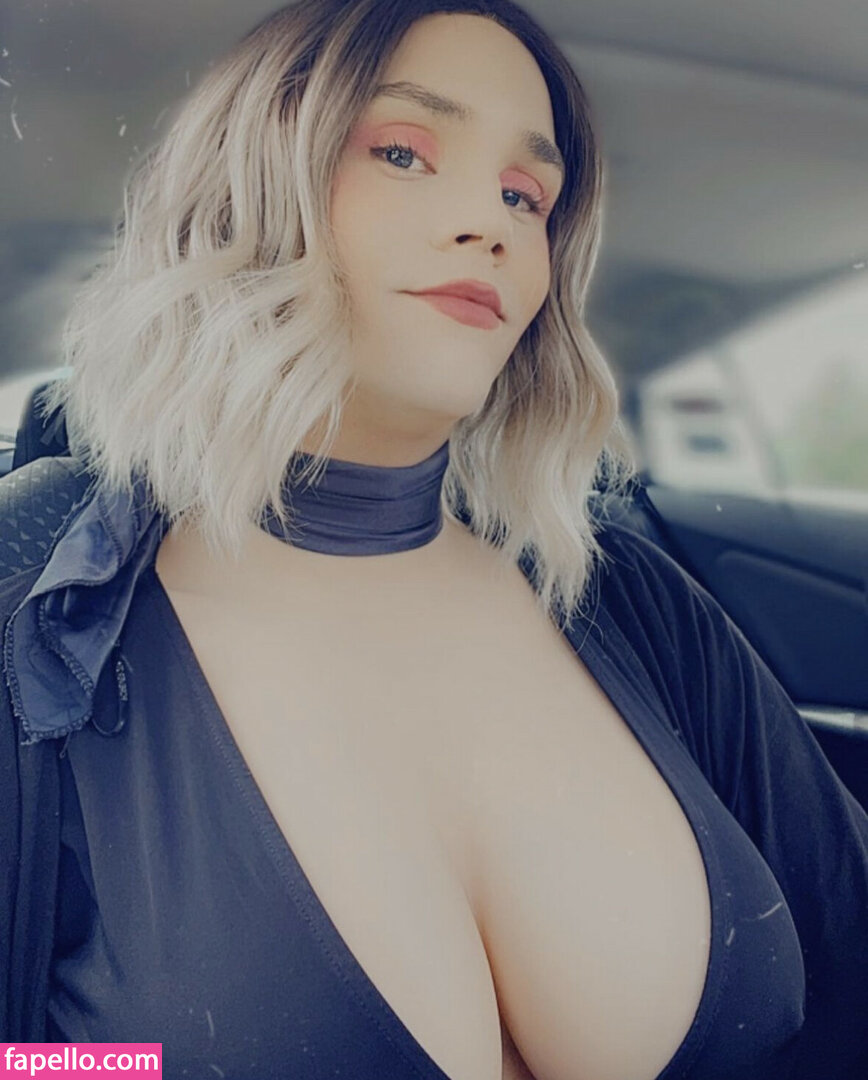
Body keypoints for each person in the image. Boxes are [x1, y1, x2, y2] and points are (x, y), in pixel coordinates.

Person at [1, 1, 866, 1077]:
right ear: (246, 187)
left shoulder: (627, 598)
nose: (489, 224)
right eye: (403, 152)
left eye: (524, 195)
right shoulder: (39, 612)